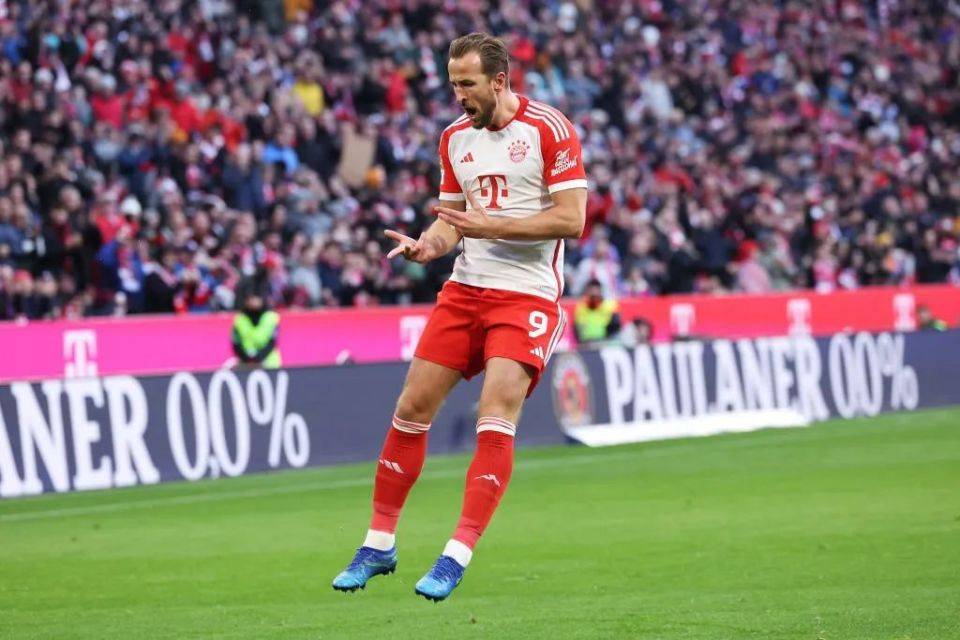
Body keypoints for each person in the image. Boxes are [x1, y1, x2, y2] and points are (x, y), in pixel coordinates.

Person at [331, 32, 587, 602]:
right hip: (466, 289)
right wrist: (429, 245)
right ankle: (378, 544)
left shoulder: (549, 129)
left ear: (499, 80)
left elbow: (572, 219)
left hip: (526, 296)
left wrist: (491, 226)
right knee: (411, 408)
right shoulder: (454, 138)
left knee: (494, 414)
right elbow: (452, 220)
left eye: (467, 84)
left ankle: (456, 553)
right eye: (452, 85)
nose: (458, 96)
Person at [231, 289, 282, 369]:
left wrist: (258, 358)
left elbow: (272, 342)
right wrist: (247, 359)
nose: (254, 301)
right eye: (251, 298)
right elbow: (236, 343)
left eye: (256, 298)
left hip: (269, 364)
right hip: (246, 363)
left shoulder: (271, 317)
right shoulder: (240, 319)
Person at [573, 278, 621, 343]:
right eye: (592, 295)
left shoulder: (610, 306)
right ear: (587, 292)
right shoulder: (581, 307)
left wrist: (608, 338)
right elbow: (577, 328)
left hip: (605, 341)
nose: (594, 297)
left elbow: (616, 327)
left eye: (596, 294)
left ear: (600, 292)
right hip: (587, 342)